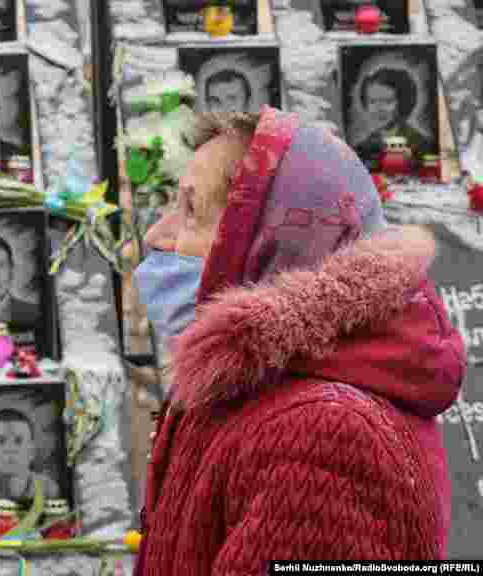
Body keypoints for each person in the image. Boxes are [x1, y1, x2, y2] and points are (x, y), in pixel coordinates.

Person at [131, 107, 463, 574]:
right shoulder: (246, 388)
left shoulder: (321, 434)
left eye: (191, 211)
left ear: (269, 242)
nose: (155, 235)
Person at [0, 407, 61, 503]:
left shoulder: (50, 490)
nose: (10, 449)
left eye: (19, 441)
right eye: (1, 441)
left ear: (32, 452)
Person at [352, 68, 435, 165]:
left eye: (387, 101)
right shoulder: (362, 148)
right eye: (372, 101)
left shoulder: (422, 145)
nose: (379, 109)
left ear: (403, 102)